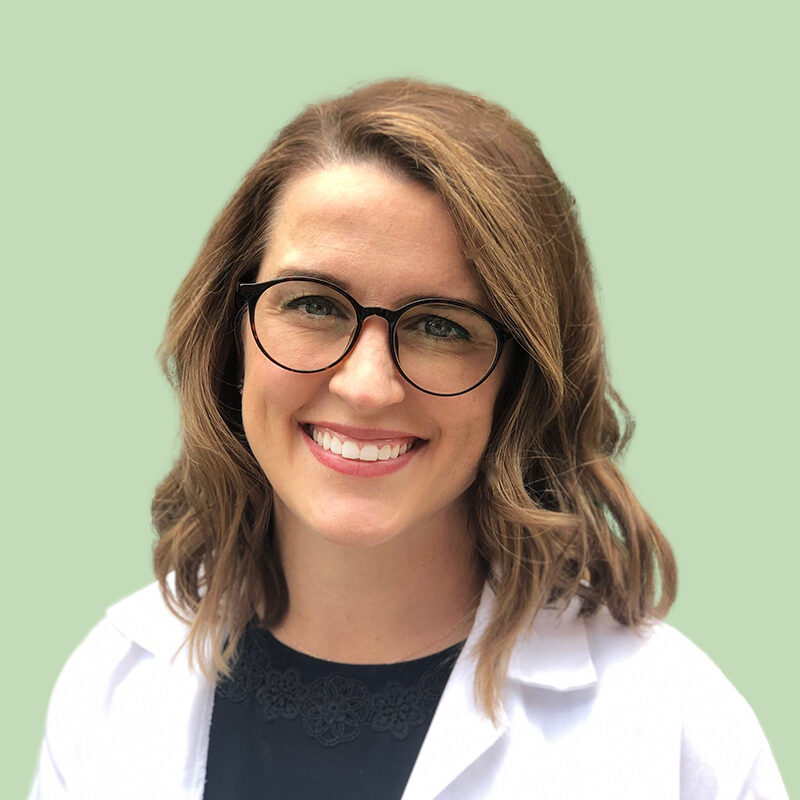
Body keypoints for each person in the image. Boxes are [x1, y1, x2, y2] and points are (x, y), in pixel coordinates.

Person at [29, 79, 787, 799]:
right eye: (315, 305)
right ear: (231, 339)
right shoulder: (113, 683)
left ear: (521, 379)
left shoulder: (672, 727)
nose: (366, 386)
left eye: (440, 326)